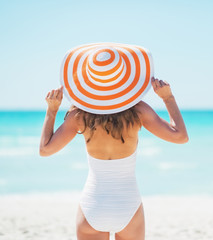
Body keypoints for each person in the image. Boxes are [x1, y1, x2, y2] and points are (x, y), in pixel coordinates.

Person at [39, 44, 188, 240]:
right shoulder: (138, 111)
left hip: (92, 204)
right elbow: (180, 137)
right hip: (128, 204)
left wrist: (52, 110)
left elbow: (45, 150)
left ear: (88, 80)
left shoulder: (78, 115)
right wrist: (168, 98)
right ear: (124, 79)